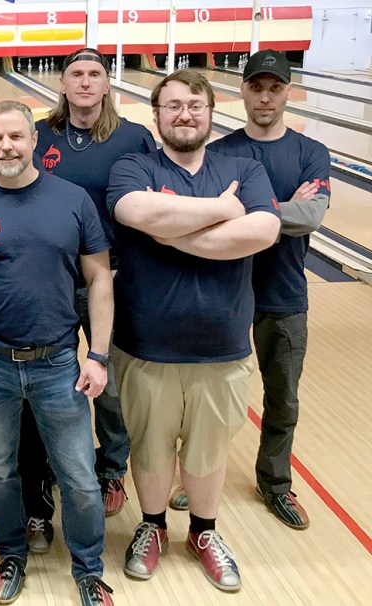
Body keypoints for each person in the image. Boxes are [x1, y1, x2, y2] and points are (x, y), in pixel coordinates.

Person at [106, 69, 280, 592]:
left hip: (222, 347)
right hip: (145, 345)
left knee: (207, 452)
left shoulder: (244, 167)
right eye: (174, 105)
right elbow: (133, 209)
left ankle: (204, 532)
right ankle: (152, 525)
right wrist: (222, 211)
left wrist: (169, 232)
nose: (185, 114)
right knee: (150, 448)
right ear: (156, 115)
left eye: (195, 105)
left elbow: (263, 230)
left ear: (210, 112)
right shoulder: (134, 165)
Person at [0, 100, 115, 606]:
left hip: (58, 363)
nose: (7, 147)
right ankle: (11, 553)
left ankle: (88, 569)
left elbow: (100, 278)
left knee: (79, 476)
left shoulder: (73, 200)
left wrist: (98, 355)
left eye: (16, 136)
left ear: (34, 140)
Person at [18, 47, 156, 551]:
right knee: (47, 381)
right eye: (75, 73)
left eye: (94, 73)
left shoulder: (133, 138)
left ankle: (113, 468)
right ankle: (50, 468)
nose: (84, 81)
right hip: (49, 281)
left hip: (110, 281)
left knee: (110, 382)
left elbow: (151, 204)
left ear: (106, 83)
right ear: (62, 82)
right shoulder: (40, 134)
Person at [197, 49, 328, 530]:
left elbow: (310, 216)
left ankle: (275, 484)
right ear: (243, 91)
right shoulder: (220, 152)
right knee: (209, 399)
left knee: (283, 399)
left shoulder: (311, 152)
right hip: (224, 293)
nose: (265, 97)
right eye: (257, 86)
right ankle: (196, 479)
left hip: (284, 295)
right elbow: (204, 214)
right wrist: (279, 207)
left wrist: (242, 209)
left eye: (275, 87)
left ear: (289, 92)